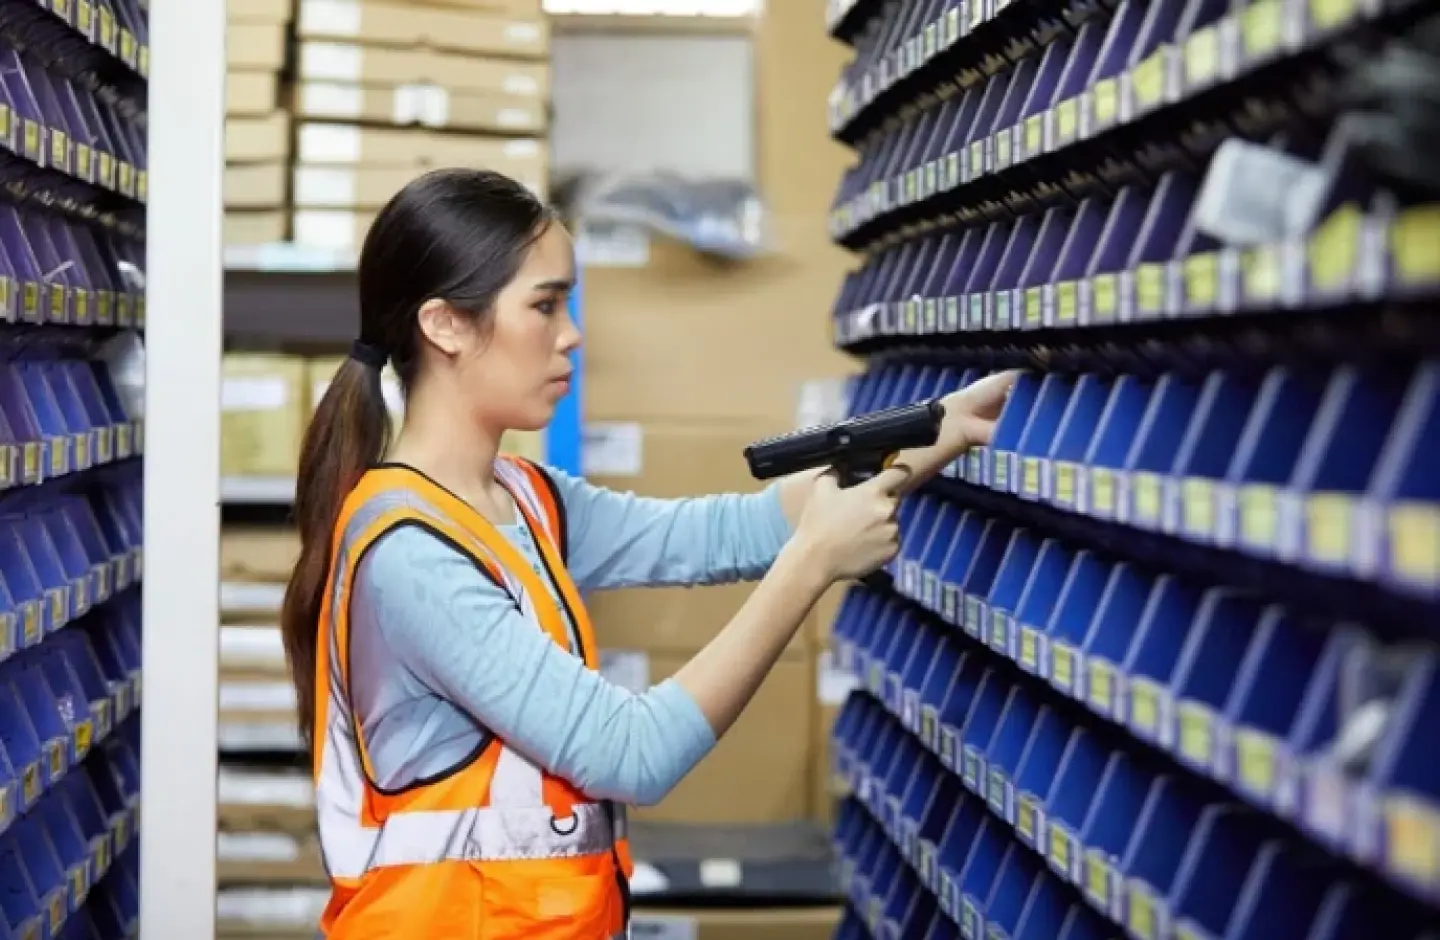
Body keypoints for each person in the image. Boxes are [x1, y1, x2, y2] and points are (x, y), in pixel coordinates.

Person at [278, 167, 1016, 940]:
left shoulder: (524, 499)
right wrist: (812, 568)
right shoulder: (410, 558)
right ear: (446, 325)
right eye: (544, 305)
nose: (571, 333)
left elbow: (734, 531)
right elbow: (631, 753)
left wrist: (944, 428)